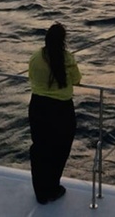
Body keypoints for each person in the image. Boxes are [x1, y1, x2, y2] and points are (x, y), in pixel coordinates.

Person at [28, 22, 82, 204]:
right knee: (60, 149)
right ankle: (53, 186)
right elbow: (76, 79)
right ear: (63, 41)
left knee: (40, 149)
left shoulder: (36, 57)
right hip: (61, 110)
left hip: (38, 107)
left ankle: (40, 191)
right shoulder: (67, 58)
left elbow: (31, 77)